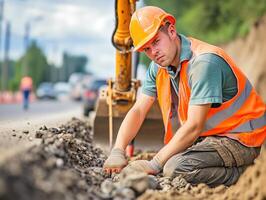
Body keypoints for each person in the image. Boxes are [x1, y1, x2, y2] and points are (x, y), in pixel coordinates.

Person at [103, 6, 266, 187]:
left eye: (156, 42)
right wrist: (118, 150)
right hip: (211, 137)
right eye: (146, 49)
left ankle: (247, 174)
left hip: (241, 138)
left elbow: (194, 125)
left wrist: (154, 163)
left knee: (174, 167)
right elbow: (139, 110)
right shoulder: (159, 67)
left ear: (171, 31)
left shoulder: (203, 63)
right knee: (170, 159)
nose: (153, 52)